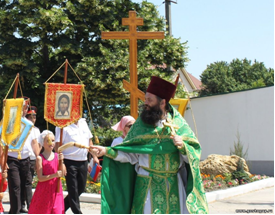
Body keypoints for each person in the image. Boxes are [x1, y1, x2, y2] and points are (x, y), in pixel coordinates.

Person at [91, 76, 209, 214]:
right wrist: (106, 151)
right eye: (145, 99)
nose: (145, 103)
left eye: (149, 100)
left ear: (162, 102)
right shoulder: (140, 126)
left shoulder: (179, 125)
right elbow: (130, 154)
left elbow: (193, 157)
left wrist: (183, 147)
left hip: (173, 186)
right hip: (146, 185)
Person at [55, 117, 98, 214]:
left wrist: (94, 156)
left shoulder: (83, 122)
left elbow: (89, 141)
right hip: (69, 160)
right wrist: (61, 162)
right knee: (73, 188)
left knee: (81, 188)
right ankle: (77, 212)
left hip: (83, 160)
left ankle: (61, 209)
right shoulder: (62, 124)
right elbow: (58, 145)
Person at [7, 116, 40, 214]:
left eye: (25, 107)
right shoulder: (9, 122)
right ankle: (15, 211)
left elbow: (34, 142)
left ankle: (31, 208)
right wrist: (2, 162)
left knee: (27, 184)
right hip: (12, 157)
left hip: (26, 158)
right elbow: (3, 142)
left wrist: (38, 158)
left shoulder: (29, 124)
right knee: (15, 185)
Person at [28, 131, 65, 214]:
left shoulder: (57, 156)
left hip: (56, 188)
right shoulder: (40, 158)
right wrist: (54, 175)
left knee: (57, 211)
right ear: (43, 143)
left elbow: (62, 173)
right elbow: (40, 178)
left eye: (53, 140)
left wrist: (61, 161)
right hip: (44, 190)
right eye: (48, 140)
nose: (51, 143)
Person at [20, 109, 41, 212]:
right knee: (25, 181)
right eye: (31, 116)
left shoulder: (36, 130)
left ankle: (28, 204)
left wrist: (38, 157)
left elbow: (38, 143)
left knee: (28, 181)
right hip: (25, 157)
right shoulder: (25, 126)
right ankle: (25, 204)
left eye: (35, 117)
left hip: (33, 158)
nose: (33, 119)